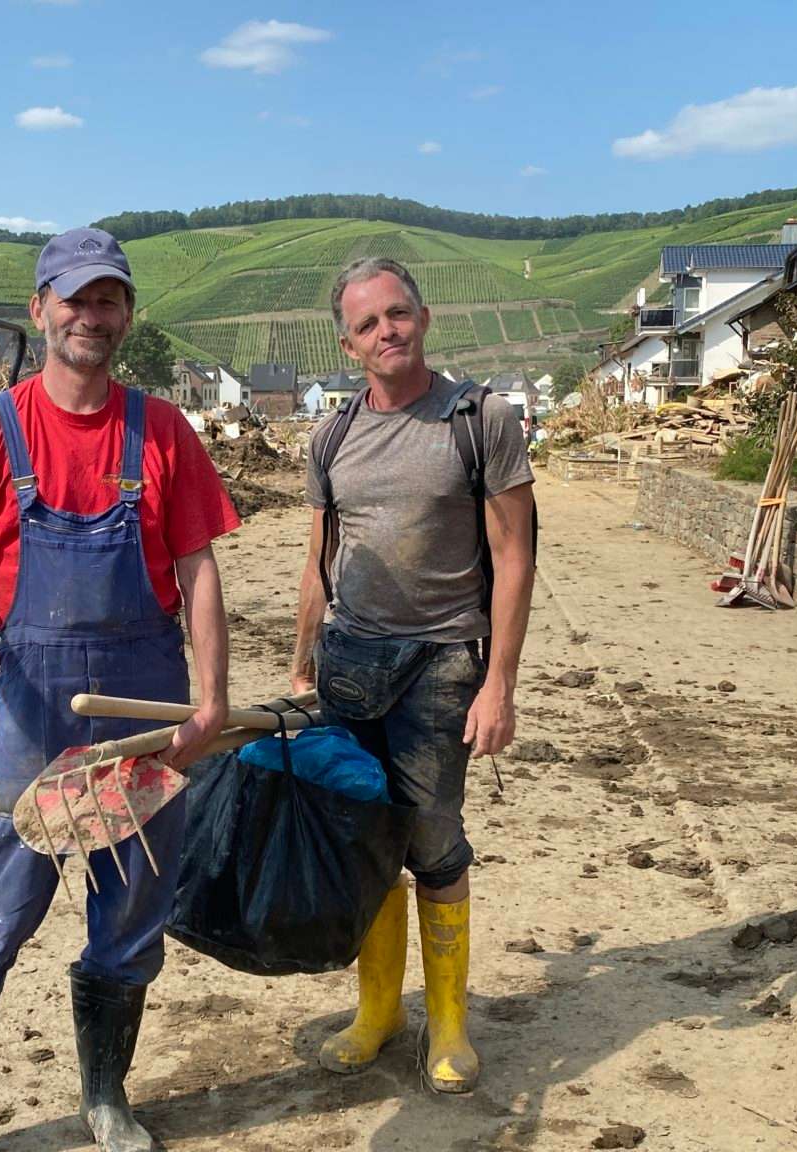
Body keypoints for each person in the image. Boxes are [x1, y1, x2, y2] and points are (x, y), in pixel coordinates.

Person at [0, 228, 239, 1152]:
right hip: (32, 706)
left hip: (146, 712)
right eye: (76, 298)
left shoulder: (160, 430)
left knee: (133, 908)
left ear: (127, 314)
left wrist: (210, 700)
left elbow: (200, 572)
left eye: (110, 300)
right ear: (41, 306)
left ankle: (105, 1100)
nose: (93, 316)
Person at [291, 257, 536, 1095]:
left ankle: (450, 1024)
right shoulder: (331, 436)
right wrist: (300, 663)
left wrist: (499, 682)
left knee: (433, 839)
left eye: (398, 314)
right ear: (347, 343)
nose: (386, 331)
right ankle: (378, 1012)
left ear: (424, 318)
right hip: (350, 663)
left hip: (442, 664)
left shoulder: (480, 419)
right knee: (364, 839)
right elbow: (319, 561)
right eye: (367, 323)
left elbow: (513, 556)